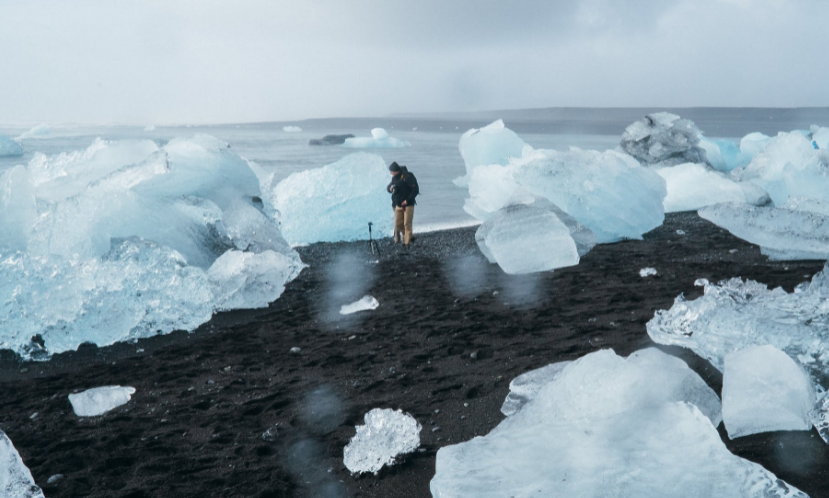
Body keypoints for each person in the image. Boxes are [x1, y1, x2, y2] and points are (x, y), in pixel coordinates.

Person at [387, 161, 419, 245]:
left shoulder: (407, 177)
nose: (391, 173)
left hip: (408, 204)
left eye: (392, 171)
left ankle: (406, 244)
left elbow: (415, 190)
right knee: (398, 224)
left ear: (396, 170)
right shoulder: (394, 178)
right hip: (398, 204)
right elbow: (389, 187)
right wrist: (389, 189)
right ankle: (410, 236)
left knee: (407, 224)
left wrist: (407, 201)